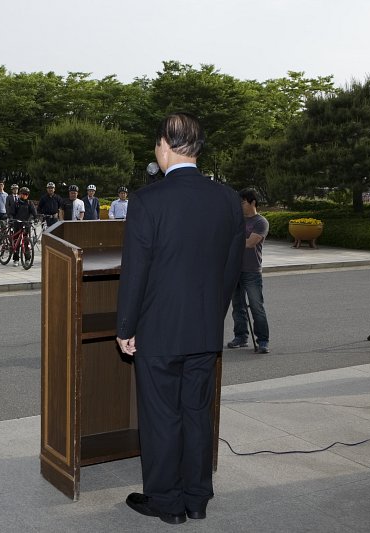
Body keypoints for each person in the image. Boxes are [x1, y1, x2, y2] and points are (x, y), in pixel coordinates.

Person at [116, 113, 244, 525]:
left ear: (165, 146)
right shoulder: (226, 198)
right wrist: (214, 313)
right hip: (205, 328)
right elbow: (231, 267)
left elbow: (136, 271)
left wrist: (125, 328)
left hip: (158, 329)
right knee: (196, 414)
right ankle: (197, 498)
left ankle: (167, 502)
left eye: (156, 145)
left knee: (161, 418)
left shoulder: (148, 200)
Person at [227, 188, 271, 354]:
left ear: (253, 202)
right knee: (237, 306)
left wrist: (232, 241)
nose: (241, 205)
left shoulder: (261, 222)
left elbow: (250, 243)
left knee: (256, 306)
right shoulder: (237, 220)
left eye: (243, 202)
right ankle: (241, 336)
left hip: (251, 271)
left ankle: (263, 340)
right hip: (234, 270)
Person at [8, 186, 37, 266]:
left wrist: (35, 218)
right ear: (20, 194)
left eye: (26, 194)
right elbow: (11, 213)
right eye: (23, 194)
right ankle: (16, 259)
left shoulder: (29, 203)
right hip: (17, 224)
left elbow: (34, 213)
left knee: (26, 243)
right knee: (16, 242)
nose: (25, 196)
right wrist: (11, 218)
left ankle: (28, 259)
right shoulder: (16, 203)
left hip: (26, 225)